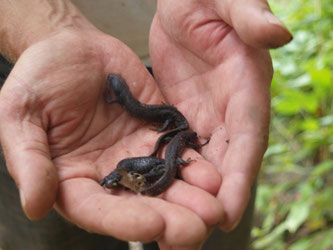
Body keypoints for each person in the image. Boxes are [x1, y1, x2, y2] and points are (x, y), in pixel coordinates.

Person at [0, 0, 292, 249]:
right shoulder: (129, 105)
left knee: (204, 221)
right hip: (45, 69)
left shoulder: (133, 107)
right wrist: (45, 30)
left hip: (193, 54)